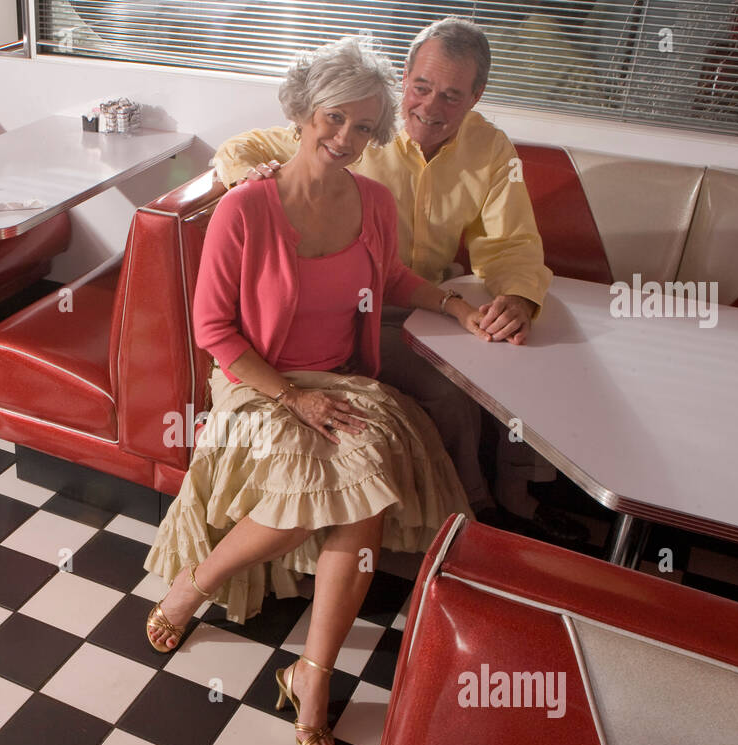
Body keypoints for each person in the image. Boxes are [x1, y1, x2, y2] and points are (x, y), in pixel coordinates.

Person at [144, 36, 478, 745]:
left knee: (363, 494)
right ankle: (190, 590)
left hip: (339, 381)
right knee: (338, 483)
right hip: (256, 385)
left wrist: (453, 304)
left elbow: (389, 280)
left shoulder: (375, 202)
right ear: (302, 113)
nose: (347, 139)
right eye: (334, 119)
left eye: (364, 128)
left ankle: (312, 677)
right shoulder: (246, 209)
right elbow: (213, 330)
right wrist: (292, 397)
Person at [214, 17, 588, 546]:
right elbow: (247, 148)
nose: (431, 108)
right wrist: (255, 184)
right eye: (421, 87)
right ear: (405, 76)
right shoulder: (358, 125)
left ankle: (517, 496)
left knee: (522, 353)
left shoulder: (491, 149)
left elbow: (510, 244)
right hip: (358, 313)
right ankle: (470, 519)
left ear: (476, 96)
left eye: (452, 95)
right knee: (452, 395)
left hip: (429, 299)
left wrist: (519, 297)